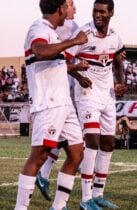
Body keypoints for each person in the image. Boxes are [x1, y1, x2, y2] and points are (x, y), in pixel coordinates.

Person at [14, 0, 89, 210]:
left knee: (77, 153)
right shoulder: (38, 28)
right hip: (48, 104)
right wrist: (74, 41)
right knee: (39, 156)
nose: (69, 8)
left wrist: (76, 71)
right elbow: (39, 51)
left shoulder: (53, 33)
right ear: (60, 9)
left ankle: (58, 206)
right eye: (67, 5)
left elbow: (53, 64)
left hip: (64, 104)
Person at [65, 0, 126, 209]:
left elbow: (118, 60)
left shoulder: (115, 37)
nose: (97, 15)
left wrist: (120, 82)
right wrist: (79, 77)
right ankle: (85, 198)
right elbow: (64, 62)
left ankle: (99, 194)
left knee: (108, 143)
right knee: (92, 140)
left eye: (102, 11)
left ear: (111, 13)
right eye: (95, 11)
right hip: (86, 94)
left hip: (108, 96)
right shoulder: (83, 34)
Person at [34, 0, 82, 201]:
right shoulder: (59, 28)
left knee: (73, 145)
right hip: (56, 92)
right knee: (50, 146)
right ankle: (42, 175)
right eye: (70, 4)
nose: (74, 8)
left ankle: (54, 194)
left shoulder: (73, 27)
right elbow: (60, 55)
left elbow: (65, 60)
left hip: (66, 87)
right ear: (61, 7)